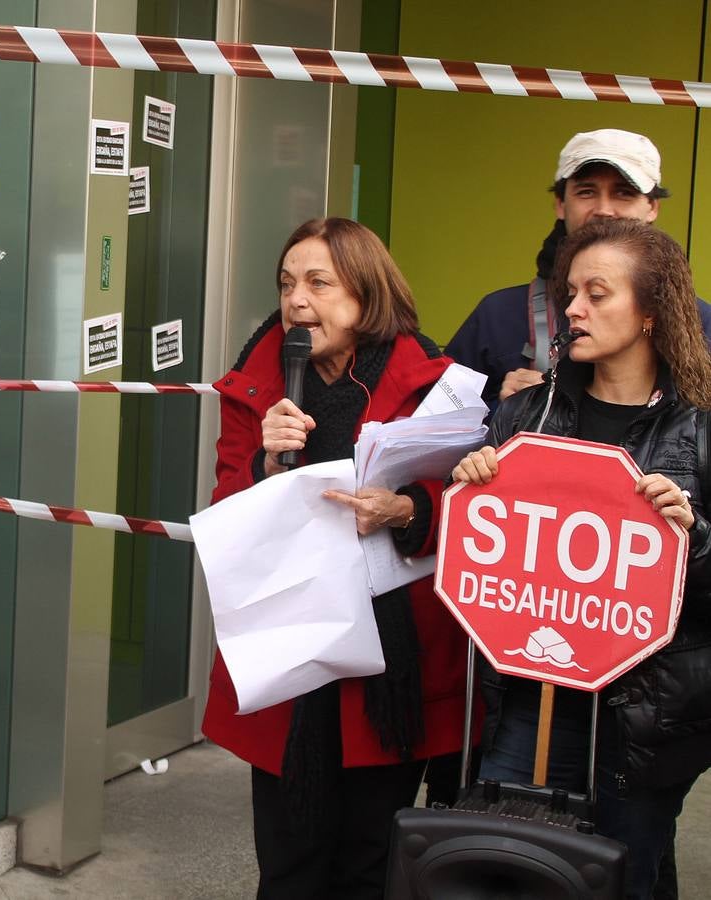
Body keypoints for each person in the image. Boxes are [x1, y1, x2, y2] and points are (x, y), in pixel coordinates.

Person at [202, 217, 470, 898]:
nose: (297, 300)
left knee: (369, 863)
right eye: (288, 282)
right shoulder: (257, 386)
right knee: (290, 860)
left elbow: (466, 505)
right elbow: (227, 508)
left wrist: (408, 508)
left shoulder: (435, 385)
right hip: (290, 650)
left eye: (320, 282)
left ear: (367, 293)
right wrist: (267, 461)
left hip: (392, 662)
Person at [451, 217, 711, 900]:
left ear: (651, 310)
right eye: (571, 293)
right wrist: (470, 489)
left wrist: (694, 538)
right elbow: (480, 565)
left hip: (642, 726)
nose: (573, 309)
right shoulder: (526, 416)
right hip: (526, 709)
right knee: (503, 876)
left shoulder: (701, 432)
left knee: (620, 881)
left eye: (598, 294)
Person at [445, 128, 711, 412]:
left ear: (652, 207)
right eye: (587, 192)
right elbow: (434, 433)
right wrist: (503, 410)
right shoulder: (497, 315)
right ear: (560, 203)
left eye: (624, 193)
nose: (604, 210)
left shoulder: (700, 322)